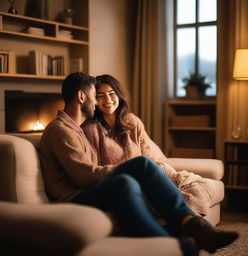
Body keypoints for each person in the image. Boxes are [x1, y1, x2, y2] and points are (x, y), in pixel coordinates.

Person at [39, 72, 238, 256]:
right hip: (73, 199)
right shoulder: (61, 131)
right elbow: (84, 176)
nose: (97, 102)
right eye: (95, 95)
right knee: (139, 166)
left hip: (85, 191)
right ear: (82, 97)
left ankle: (182, 233)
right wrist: (126, 168)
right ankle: (183, 232)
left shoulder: (75, 129)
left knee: (127, 181)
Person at [82, 74, 215, 216]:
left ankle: (188, 220)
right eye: (100, 95)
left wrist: (169, 175)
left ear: (119, 95)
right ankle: (184, 219)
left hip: (149, 175)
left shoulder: (132, 121)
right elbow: (95, 170)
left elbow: (149, 154)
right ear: (95, 100)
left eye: (111, 93)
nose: (107, 100)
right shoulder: (91, 129)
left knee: (201, 186)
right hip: (123, 181)